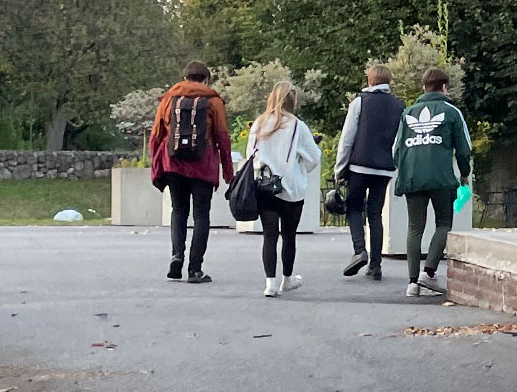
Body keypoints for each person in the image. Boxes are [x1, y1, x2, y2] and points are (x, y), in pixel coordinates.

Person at [390, 66, 471, 299]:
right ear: (444, 87)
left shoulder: (407, 113)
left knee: (415, 227)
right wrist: (463, 174)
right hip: (441, 178)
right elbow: (464, 149)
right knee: (444, 223)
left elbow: (397, 150)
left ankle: (412, 283)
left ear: (423, 87)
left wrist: (406, 170)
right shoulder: (452, 112)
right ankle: (430, 272)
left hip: (412, 177)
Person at [148, 62, 233, 284]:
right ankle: (195, 269)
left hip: (173, 163)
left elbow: (155, 136)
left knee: (178, 211)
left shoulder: (168, 99)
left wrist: (156, 166)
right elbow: (223, 138)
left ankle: (176, 258)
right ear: (206, 79)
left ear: (185, 77)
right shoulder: (213, 101)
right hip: (203, 164)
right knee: (201, 215)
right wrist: (229, 174)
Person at [247, 80, 322, 298]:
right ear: (293, 100)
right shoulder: (298, 126)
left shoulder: (259, 123)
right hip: (290, 187)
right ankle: (287, 279)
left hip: (265, 187)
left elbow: (252, 154)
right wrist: (299, 168)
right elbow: (313, 157)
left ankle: (270, 283)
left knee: (269, 235)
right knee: (289, 235)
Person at [333, 63, 405, 281]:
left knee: (353, 208)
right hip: (384, 169)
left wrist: (339, 169)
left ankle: (359, 251)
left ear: (370, 80)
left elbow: (347, 139)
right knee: (375, 214)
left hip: (359, 166)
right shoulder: (399, 106)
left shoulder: (359, 103)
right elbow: (400, 141)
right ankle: (375, 265)